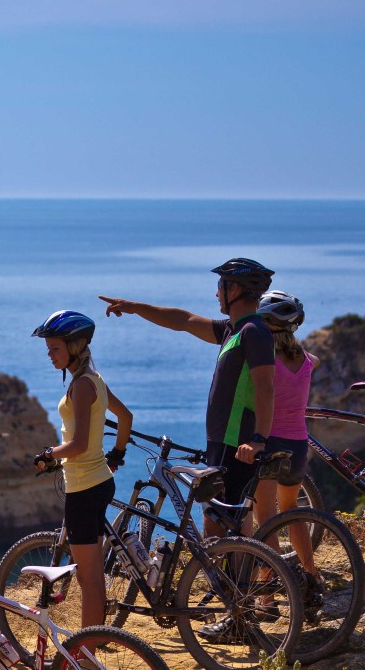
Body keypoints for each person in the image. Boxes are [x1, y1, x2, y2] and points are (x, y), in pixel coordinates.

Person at [100, 258, 276, 534]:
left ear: (235, 290)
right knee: (225, 523)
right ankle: (238, 576)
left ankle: (237, 577)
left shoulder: (254, 332)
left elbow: (266, 388)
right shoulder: (233, 329)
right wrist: (134, 307)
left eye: (220, 286)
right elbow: (183, 320)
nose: (217, 293)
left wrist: (258, 440)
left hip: (235, 443)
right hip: (221, 440)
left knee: (219, 523)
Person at [31, 310, 133, 629]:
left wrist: (50, 453)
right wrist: (116, 454)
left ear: (75, 346)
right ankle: (94, 642)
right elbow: (126, 417)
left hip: (85, 488)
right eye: (48, 349)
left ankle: (87, 658)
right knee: (92, 573)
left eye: (55, 349)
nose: (49, 355)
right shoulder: (93, 380)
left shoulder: (83, 385)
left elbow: (77, 444)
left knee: (89, 579)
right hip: (97, 481)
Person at [251, 291, 325, 606]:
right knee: (291, 511)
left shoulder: (265, 361)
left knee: (265, 518)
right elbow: (315, 359)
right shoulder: (306, 361)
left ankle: (266, 597)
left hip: (270, 445)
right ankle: (310, 575)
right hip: (297, 445)